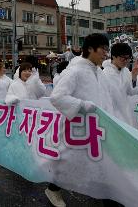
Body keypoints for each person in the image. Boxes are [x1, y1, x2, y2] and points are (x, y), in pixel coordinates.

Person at [49, 33, 113, 207]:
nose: (106, 54)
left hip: (95, 127)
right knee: (68, 161)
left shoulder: (97, 71)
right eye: (103, 50)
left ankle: (105, 195)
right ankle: (53, 189)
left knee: (99, 162)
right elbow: (57, 97)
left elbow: (105, 97)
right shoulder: (75, 70)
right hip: (77, 127)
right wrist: (83, 105)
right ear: (90, 49)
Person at [103, 43, 138, 127]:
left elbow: (131, 92)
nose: (126, 61)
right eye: (123, 58)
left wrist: (134, 76)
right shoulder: (106, 74)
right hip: (112, 116)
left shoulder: (125, 71)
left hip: (125, 114)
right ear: (113, 56)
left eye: (128, 58)